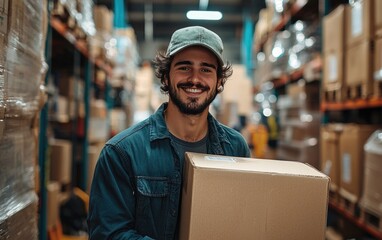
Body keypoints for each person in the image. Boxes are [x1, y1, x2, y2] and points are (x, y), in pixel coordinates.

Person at [87, 26, 251, 240]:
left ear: (219, 81)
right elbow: (107, 234)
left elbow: (243, 223)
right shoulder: (122, 153)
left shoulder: (235, 149)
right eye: (184, 67)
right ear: (165, 77)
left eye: (206, 69)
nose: (195, 79)